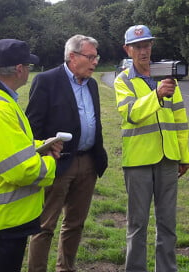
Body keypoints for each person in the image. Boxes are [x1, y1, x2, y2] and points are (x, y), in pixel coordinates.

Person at [0, 38, 63, 272]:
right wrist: (50, 160)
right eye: (28, 66)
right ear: (19, 70)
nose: (30, 71)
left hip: (1, 218)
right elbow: (22, 170)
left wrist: (40, 145)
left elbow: (10, 145)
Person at [26, 34, 108, 272]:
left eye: (96, 57)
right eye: (90, 57)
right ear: (73, 57)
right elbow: (33, 126)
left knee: (75, 223)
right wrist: (46, 152)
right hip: (58, 163)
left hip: (88, 162)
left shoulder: (91, 83)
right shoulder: (46, 80)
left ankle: (66, 268)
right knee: (45, 225)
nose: (95, 62)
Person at [114, 25, 189, 272]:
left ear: (151, 46)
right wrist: (156, 94)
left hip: (169, 158)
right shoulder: (122, 81)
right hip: (138, 161)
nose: (143, 50)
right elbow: (131, 114)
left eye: (146, 45)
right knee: (137, 224)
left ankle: (167, 269)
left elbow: (180, 119)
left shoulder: (168, 76)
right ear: (128, 49)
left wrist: (184, 156)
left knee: (167, 223)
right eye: (137, 46)